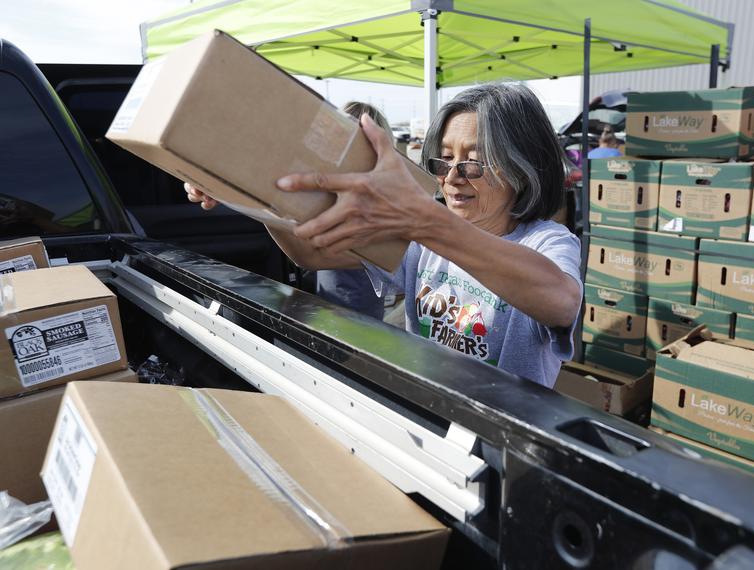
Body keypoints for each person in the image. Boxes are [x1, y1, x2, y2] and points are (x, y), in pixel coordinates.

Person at [187, 84, 582, 388]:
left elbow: (561, 300)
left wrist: (426, 220)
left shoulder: (547, 242)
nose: (452, 177)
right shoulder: (425, 237)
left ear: (523, 165)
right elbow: (314, 254)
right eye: (443, 160)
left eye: (474, 162)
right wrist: (252, 193)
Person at [312, 101, 393, 320]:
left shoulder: (371, 204)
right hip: (329, 307)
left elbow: (310, 257)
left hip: (358, 316)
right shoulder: (334, 191)